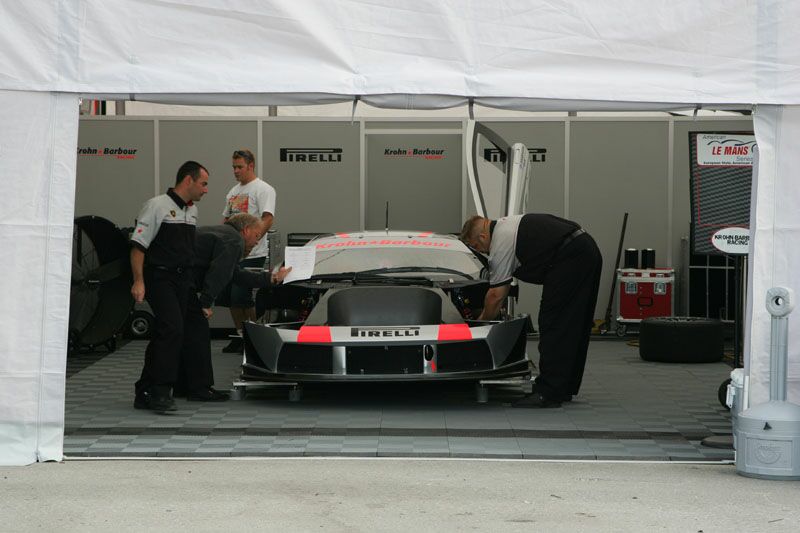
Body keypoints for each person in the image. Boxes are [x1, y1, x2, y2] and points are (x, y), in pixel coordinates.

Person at [460, 213, 602, 408]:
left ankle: (548, 393)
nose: (481, 252)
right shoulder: (507, 225)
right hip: (586, 248)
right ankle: (563, 387)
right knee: (574, 324)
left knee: (553, 323)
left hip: (570, 258)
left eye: (476, 247)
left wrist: (481, 323)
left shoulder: (500, 242)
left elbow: (496, 296)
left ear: (483, 237)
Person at [176, 213, 291, 401]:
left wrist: (271, 278)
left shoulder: (223, 234)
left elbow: (235, 274)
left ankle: (183, 386)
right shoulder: (234, 240)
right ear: (245, 231)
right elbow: (219, 273)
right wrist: (206, 302)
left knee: (187, 334)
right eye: (256, 236)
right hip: (180, 281)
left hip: (177, 280)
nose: (256, 242)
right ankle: (199, 389)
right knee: (197, 335)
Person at [131, 161, 210, 413]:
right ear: (188, 180)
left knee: (191, 326)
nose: (206, 189)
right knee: (172, 329)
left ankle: (192, 387)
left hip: (184, 280)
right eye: (203, 183)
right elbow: (138, 246)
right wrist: (139, 280)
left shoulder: (192, 211)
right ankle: (160, 391)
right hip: (160, 278)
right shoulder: (156, 206)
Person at [220, 149, 276, 354]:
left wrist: (252, 242)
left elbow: (268, 218)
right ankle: (240, 335)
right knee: (231, 299)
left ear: (250, 166)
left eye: (239, 167)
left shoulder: (263, 189)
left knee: (242, 296)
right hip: (232, 253)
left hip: (252, 254)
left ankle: (253, 339)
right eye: (234, 167)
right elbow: (226, 220)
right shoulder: (233, 192)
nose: (235, 171)